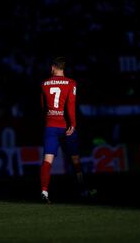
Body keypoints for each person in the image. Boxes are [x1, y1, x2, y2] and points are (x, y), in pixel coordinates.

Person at [39, 56, 92, 204]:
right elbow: (71, 106)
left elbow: (43, 107)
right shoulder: (71, 83)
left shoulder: (44, 83)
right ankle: (83, 189)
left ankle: (44, 191)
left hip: (51, 126)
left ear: (54, 67)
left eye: (51, 67)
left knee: (47, 160)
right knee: (75, 159)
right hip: (67, 127)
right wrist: (73, 124)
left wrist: (49, 120)